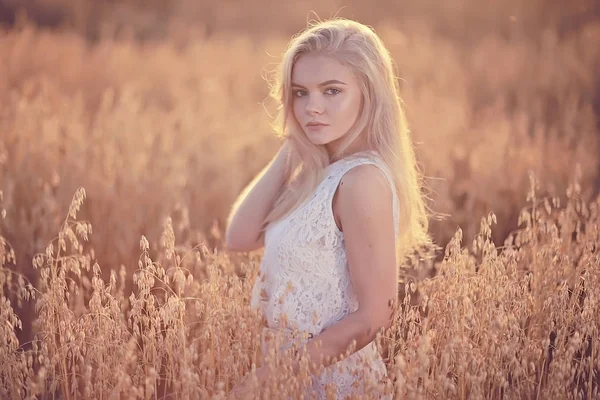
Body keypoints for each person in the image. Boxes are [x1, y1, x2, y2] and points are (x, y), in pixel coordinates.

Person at [225, 17, 431, 399]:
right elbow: (238, 238)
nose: (312, 107)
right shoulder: (319, 172)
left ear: (368, 94)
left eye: (331, 91)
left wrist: (268, 382)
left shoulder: (362, 181)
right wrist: (294, 145)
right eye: (300, 93)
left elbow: (374, 316)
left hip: (330, 379)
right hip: (287, 373)